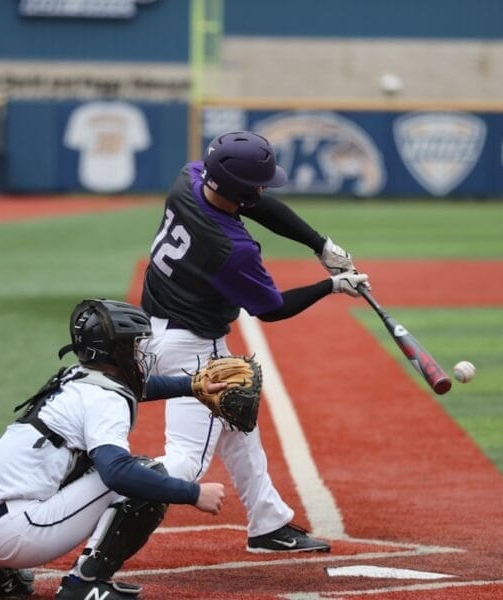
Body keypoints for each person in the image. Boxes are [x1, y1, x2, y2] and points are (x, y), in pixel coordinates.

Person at [141, 130, 370, 553]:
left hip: (151, 330)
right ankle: (99, 496)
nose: (265, 189)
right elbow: (272, 308)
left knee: (237, 423)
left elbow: (254, 201)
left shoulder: (188, 179)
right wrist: (332, 286)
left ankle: (268, 522)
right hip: (194, 347)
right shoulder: (233, 249)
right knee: (185, 463)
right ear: (241, 191)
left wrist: (319, 244)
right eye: (259, 183)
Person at [0, 299, 226, 600]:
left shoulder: (77, 376)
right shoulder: (104, 401)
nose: (140, 353)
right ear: (117, 351)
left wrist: (193, 386)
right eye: (134, 345)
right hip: (18, 535)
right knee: (141, 474)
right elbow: (117, 473)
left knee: (81, 462)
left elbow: (139, 387)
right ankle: (85, 583)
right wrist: (194, 494)